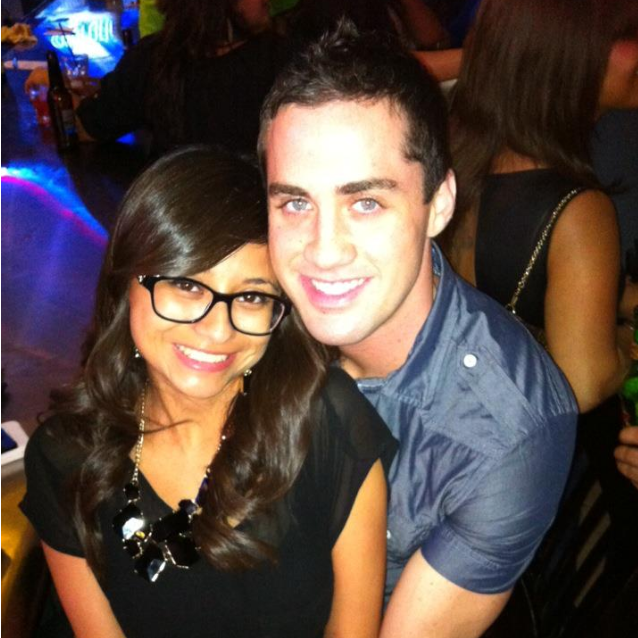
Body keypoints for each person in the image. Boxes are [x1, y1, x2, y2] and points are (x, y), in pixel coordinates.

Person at [258, 20, 578, 638]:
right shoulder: (245, 310)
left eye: (366, 202)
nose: (323, 251)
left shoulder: (510, 431)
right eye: (295, 202)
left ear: (440, 204)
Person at [20, 147, 396, 638]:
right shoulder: (65, 456)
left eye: (253, 296)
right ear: (125, 283)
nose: (218, 330)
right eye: (187, 286)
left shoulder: (329, 422)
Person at [443, 0, 637, 414]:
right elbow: (583, 382)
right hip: (551, 443)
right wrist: (624, 342)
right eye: (629, 34)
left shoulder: (462, 157)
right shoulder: (577, 210)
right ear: (567, 51)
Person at [26, 0, 288, 156]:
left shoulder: (154, 60)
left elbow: (83, 126)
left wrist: (56, 87)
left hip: (179, 221)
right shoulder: (287, 60)